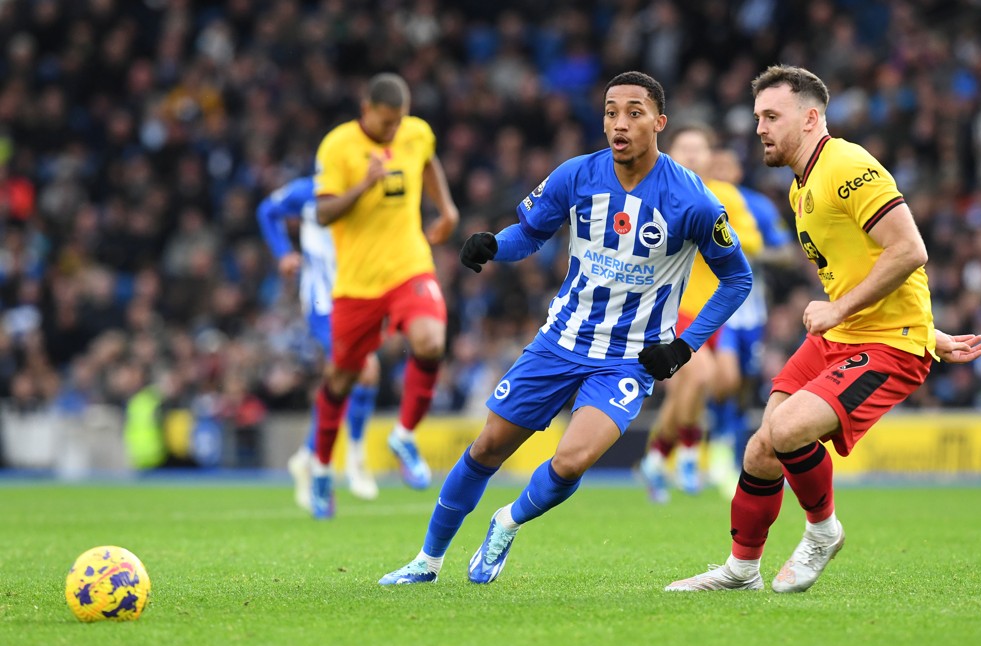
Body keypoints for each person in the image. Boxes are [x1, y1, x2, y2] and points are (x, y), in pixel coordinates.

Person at [378, 71, 753, 586]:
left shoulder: (694, 201)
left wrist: (683, 348)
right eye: (611, 112)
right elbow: (529, 234)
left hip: (627, 358)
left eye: (634, 113)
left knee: (572, 460)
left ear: (659, 123)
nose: (620, 124)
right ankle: (428, 560)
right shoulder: (576, 175)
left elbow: (737, 279)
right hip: (559, 341)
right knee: (488, 447)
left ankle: (507, 521)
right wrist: (495, 245)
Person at [666, 65, 981, 594]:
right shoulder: (801, 188)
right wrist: (930, 330)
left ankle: (822, 531)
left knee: (788, 430)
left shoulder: (848, 165)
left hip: (885, 344)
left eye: (772, 116)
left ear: (811, 118)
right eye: (757, 117)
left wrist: (872, 321)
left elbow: (910, 249)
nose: (760, 128)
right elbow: (862, 268)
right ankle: (741, 571)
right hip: (845, 337)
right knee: (761, 449)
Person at [311, 73, 460, 518]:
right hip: (357, 284)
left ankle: (404, 435)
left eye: (399, 120)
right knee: (341, 378)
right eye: (386, 121)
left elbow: (427, 161)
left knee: (430, 340)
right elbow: (322, 212)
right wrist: (363, 184)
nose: (394, 129)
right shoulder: (338, 146)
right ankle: (321, 469)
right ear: (366, 109)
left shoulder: (416, 133)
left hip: (407, 266)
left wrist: (447, 208)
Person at [637, 124, 763, 502]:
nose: (692, 154)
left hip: (713, 310)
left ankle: (656, 459)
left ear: (711, 157)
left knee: (691, 388)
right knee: (702, 375)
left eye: (700, 148)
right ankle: (690, 454)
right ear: (669, 153)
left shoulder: (724, 196)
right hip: (671, 307)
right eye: (684, 147)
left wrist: (715, 229)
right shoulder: (655, 193)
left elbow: (753, 242)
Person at [256, 176, 380, 509]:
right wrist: (283, 253)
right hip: (323, 303)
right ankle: (355, 458)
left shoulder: (371, 193)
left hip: (360, 301)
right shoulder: (308, 192)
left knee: (342, 380)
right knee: (365, 369)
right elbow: (267, 210)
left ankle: (308, 457)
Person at [705, 147, 796, 492]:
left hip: (751, 310)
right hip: (715, 305)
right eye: (714, 164)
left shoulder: (757, 206)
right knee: (725, 377)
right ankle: (716, 448)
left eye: (726, 164)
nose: (720, 170)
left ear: (738, 171)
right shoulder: (700, 202)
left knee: (744, 382)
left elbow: (787, 254)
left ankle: (728, 448)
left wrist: (753, 252)